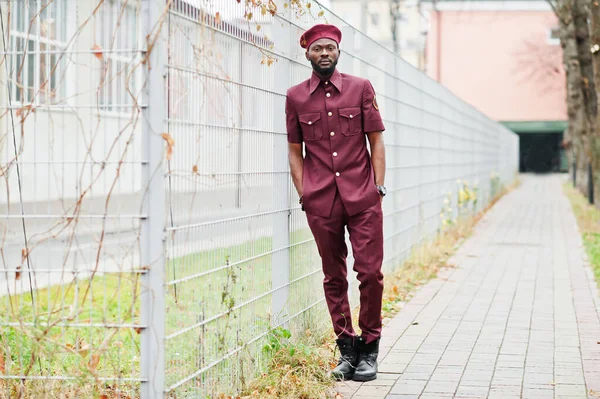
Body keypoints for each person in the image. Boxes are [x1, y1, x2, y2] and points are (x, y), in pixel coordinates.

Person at [285, 23, 387, 382]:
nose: (324, 53)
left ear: (338, 52)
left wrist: (378, 186)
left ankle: (370, 348)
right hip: (321, 201)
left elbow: (376, 141)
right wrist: (304, 191)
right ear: (307, 54)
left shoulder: (361, 88)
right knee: (333, 276)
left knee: (370, 273)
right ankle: (346, 349)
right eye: (317, 49)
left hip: (363, 198)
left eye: (329, 48)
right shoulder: (295, 97)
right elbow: (294, 151)